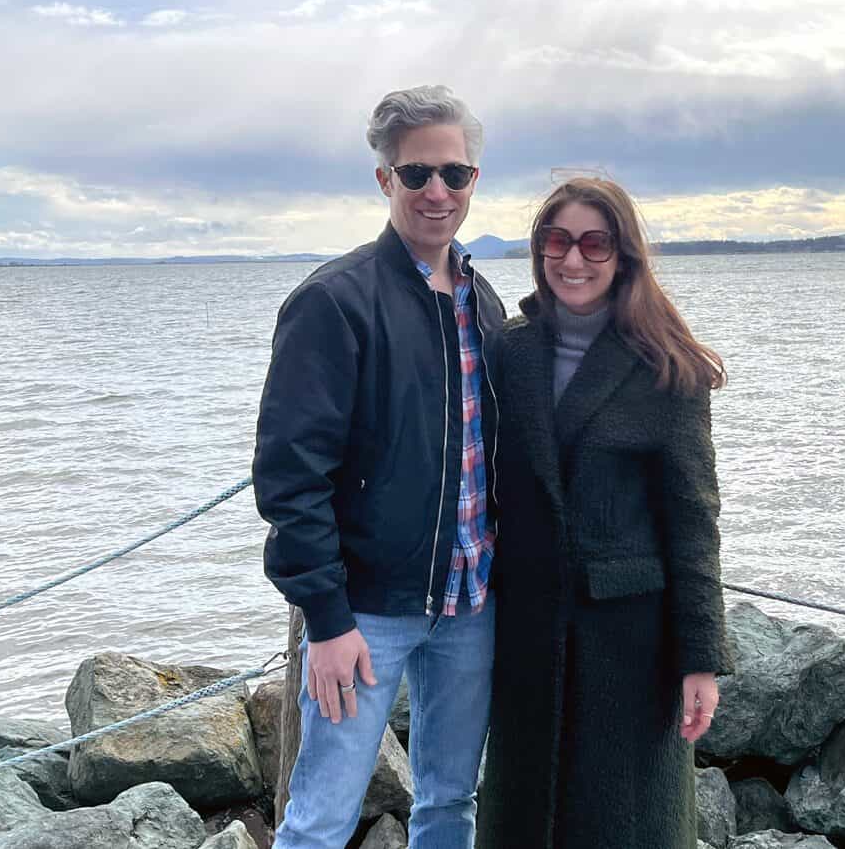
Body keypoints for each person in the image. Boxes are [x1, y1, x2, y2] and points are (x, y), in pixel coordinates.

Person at [253, 85, 505, 849]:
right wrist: (326, 619)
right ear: (384, 178)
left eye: (453, 174)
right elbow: (290, 475)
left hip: (471, 603)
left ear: (473, 179)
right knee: (319, 820)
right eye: (416, 173)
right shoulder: (333, 302)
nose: (437, 191)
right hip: (365, 612)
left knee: (451, 803)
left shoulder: (484, 302)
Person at [476, 177, 732, 849]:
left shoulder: (667, 367)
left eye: (595, 244)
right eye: (557, 240)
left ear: (623, 256)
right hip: (526, 633)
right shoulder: (508, 351)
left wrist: (700, 659)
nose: (573, 259)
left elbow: (694, 522)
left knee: (624, 825)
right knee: (524, 822)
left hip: (630, 646)